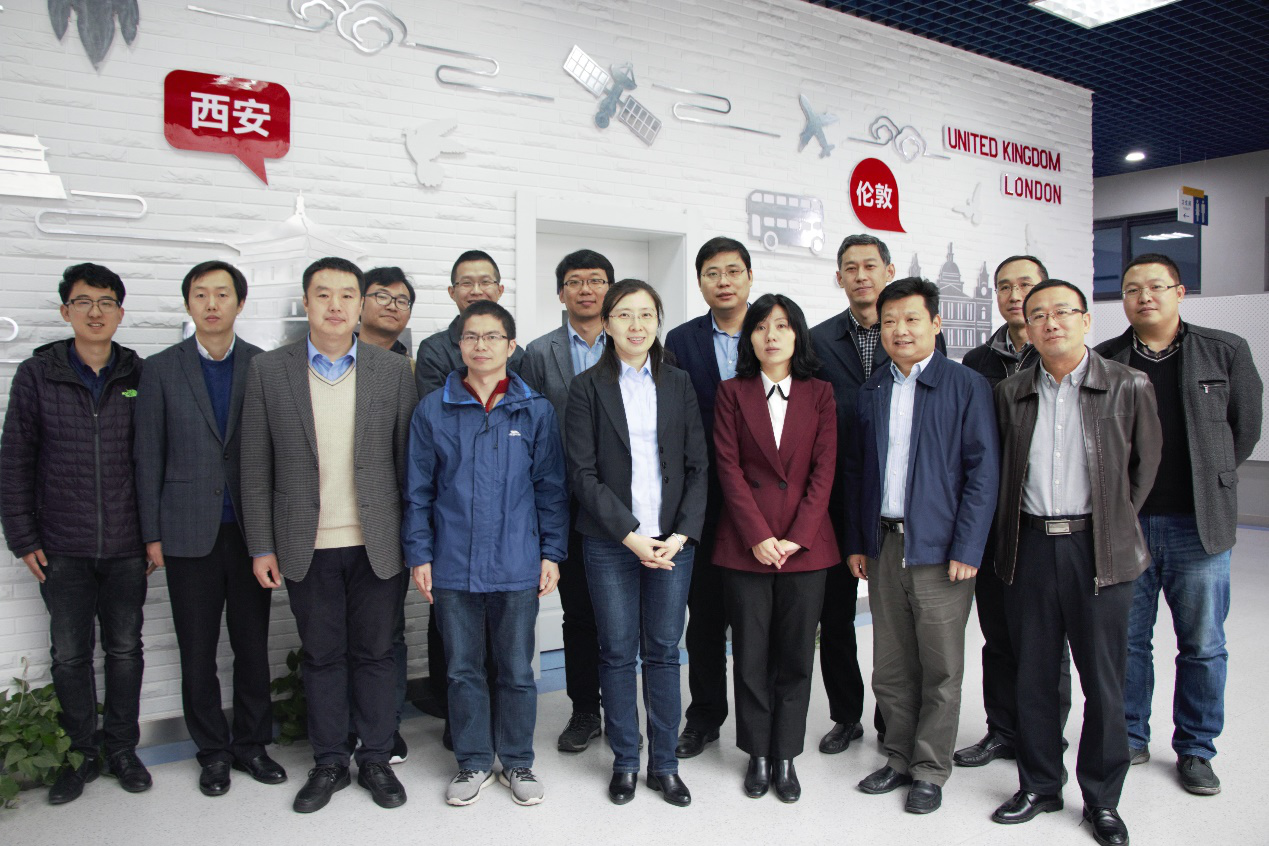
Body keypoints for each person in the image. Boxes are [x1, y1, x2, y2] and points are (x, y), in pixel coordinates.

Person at [240, 257, 418, 814]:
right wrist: (261, 545)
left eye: (347, 295)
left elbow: (409, 465)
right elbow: (255, 465)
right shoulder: (269, 370)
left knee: (376, 654)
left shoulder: (393, 371)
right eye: (323, 295)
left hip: (378, 541)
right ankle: (329, 761)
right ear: (306, 302)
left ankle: (377, 758)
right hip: (305, 542)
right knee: (321, 657)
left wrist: (417, 543)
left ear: (361, 304)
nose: (335, 305)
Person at [990, 280, 1161, 846]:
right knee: (1035, 676)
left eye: (1063, 311)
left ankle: (1102, 799)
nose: (1051, 322)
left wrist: (1109, 523)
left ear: (1086, 320)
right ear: (1028, 327)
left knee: (1104, 681)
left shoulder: (1128, 384)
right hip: (1032, 546)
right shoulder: (1011, 392)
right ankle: (1040, 785)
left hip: (1100, 549)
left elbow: (1143, 469)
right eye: (1038, 315)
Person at [1095, 253, 1262, 795]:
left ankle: (1195, 749)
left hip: (1200, 526)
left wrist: (1212, 477)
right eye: (1132, 289)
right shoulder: (1107, 359)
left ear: (1179, 292)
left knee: (1204, 644)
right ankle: (1130, 735)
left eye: (1156, 287)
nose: (1144, 297)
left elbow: (1244, 429)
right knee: (1127, 642)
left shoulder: (1225, 350)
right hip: (1129, 526)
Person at [404, 300, 568, 806]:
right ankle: (473, 761)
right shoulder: (433, 409)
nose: (481, 345)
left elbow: (551, 489)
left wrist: (551, 553)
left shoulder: (535, 409)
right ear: (459, 345)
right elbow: (417, 492)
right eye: (472, 336)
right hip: (452, 563)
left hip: (518, 563)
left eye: (493, 336)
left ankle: (517, 761)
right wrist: (419, 555)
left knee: (517, 669)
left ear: (511, 346)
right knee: (461, 669)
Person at [844, 277, 998, 815]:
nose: (900, 330)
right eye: (889, 321)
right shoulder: (873, 389)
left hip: (941, 552)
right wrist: (858, 541)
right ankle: (898, 756)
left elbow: (983, 474)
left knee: (940, 669)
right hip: (884, 546)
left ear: (935, 322)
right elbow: (858, 472)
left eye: (911, 319)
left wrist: (968, 547)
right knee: (890, 666)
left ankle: (930, 768)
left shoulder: (966, 385)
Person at [0, 263, 152, 803]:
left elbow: (154, 459)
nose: (95, 312)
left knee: (125, 649)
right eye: (83, 302)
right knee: (69, 655)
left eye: (106, 302)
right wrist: (23, 538)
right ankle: (81, 753)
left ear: (120, 313)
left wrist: (153, 535)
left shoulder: (139, 374)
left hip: (128, 546)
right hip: (61, 546)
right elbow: (14, 460)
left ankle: (122, 748)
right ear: (66, 310)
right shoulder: (37, 375)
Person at [133, 260, 284, 797]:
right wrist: (152, 534)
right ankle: (213, 752)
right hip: (185, 531)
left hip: (250, 533)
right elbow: (148, 454)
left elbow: (276, 451)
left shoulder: (263, 365)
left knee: (252, 645)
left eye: (223, 294)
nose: (212, 304)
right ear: (188, 303)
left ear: (240, 303)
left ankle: (252, 744)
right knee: (197, 650)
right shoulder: (160, 369)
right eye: (201, 294)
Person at [566, 279, 708, 807]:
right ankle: (626, 759)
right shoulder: (586, 387)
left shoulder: (679, 383)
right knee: (617, 651)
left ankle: (664, 764)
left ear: (657, 322)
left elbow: (698, 466)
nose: (636, 324)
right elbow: (581, 474)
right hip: (611, 543)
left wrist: (681, 534)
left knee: (665, 653)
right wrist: (629, 535)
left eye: (646, 314)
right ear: (607, 323)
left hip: (672, 543)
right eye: (624, 314)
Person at [810, 234, 946, 754]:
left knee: (901, 621)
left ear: (889, 271)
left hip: (899, 500)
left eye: (870, 265)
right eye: (851, 267)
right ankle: (846, 715)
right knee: (835, 617)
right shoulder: (818, 341)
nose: (861, 275)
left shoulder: (919, 338)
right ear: (838, 278)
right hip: (836, 498)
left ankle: (896, 720)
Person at [712, 294, 837, 803]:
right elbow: (728, 469)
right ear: (750, 338)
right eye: (761, 326)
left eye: (782, 326)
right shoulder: (731, 392)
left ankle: (785, 753)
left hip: (807, 547)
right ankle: (756, 753)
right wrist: (759, 536)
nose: (771, 335)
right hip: (746, 545)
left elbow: (824, 471)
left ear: (797, 335)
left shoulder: (821, 393)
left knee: (796, 655)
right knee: (750, 654)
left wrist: (796, 536)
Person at [956, 254, 1071, 769]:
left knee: (1047, 642)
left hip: (1047, 521)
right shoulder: (978, 362)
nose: (1014, 294)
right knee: (998, 636)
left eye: (1025, 284)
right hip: (993, 522)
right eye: (1004, 286)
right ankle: (1001, 730)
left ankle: (1044, 739)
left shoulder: (1061, 355)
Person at [413, 250, 524, 743]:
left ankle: (506, 736)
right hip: (454, 525)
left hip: (510, 531)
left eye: (485, 281)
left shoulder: (524, 374)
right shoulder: (434, 361)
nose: (476, 289)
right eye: (466, 282)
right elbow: (426, 465)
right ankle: (463, 731)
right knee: (456, 647)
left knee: (509, 650)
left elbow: (540, 471)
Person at [663, 236, 752, 759]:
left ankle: (759, 721)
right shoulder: (680, 339)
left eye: (733, 271)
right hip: (703, 502)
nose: (724, 281)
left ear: (749, 277)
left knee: (756, 619)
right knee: (705, 618)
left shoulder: (772, 330)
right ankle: (704, 717)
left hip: (762, 502)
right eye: (712, 273)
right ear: (699, 282)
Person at [520, 249, 612, 753]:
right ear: (560, 293)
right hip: (569, 503)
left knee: (626, 616)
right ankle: (584, 711)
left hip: (629, 505)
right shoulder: (539, 353)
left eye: (596, 280)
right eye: (575, 281)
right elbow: (532, 432)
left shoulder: (635, 342)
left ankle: (623, 708)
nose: (586, 290)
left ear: (610, 289)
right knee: (578, 614)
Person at [353, 265, 417, 764]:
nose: (392, 306)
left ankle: (384, 726)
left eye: (402, 300)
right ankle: (342, 726)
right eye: (382, 296)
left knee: (388, 631)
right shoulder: (330, 358)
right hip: (331, 518)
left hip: (390, 522)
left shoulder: (412, 369)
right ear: (359, 303)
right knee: (337, 635)